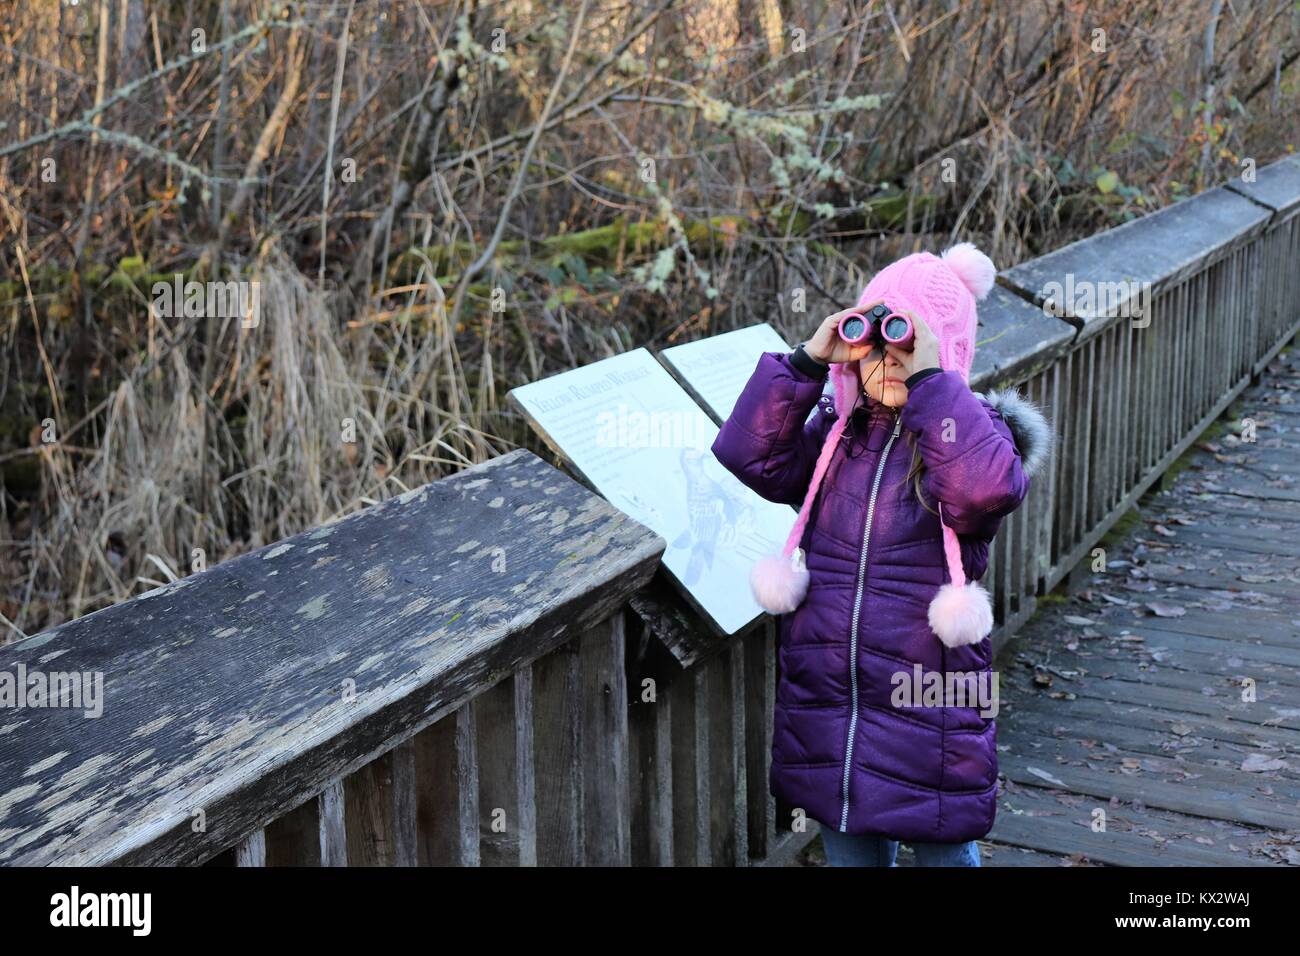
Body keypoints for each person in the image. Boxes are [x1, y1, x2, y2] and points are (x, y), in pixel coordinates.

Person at [710, 243, 1052, 866]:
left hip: (929, 705)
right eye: (876, 340)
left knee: (944, 854)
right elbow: (748, 454)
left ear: (942, 355)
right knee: (849, 851)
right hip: (834, 703)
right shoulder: (839, 436)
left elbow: (985, 488)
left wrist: (931, 384)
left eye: (908, 344)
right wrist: (808, 361)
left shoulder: (970, 438)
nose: (888, 360)